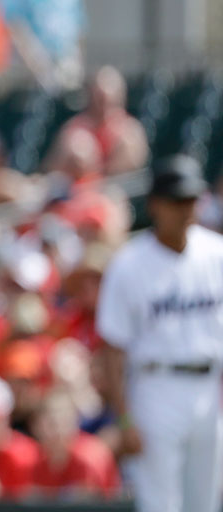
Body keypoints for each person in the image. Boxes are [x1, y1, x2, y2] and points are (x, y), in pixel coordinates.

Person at [95, 154, 223, 512]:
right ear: (155, 205)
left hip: (209, 389)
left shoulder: (216, 254)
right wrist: (123, 418)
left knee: (206, 503)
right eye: (176, 200)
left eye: (191, 199)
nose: (185, 209)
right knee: (160, 505)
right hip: (156, 389)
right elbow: (113, 349)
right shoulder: (129, 264)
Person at [55, 66, 148, 176]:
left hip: (114, 190)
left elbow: (130, 174)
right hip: (75, 190)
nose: (104, 106)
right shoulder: (75, 128)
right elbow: (52, 168)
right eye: (99, 98)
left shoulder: (130, 132)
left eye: (109, 100)